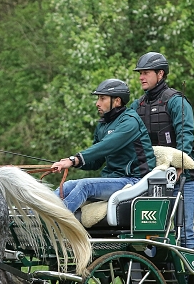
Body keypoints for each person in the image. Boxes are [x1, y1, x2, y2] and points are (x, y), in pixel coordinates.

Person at [50, 79, 156, 213]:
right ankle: (34, 216)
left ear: (117, 101)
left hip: (135, 181)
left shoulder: (130, 121)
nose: (97, 103)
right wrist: (73, 162)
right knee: (67, 185)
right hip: (113, 179)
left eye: (102, 98)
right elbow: (96, 161)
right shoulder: (103, 125)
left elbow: (107, 145)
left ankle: (54, 219)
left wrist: (74, 160)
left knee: (85, 186)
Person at [130, 52, 194, 248]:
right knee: (151, 236)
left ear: (160, 74)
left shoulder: (176, 101)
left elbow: (186, 137)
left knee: (184, 234)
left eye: (145, 73)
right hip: (151, 182)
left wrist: (178, 169)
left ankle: (192, 278)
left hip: (182, 180)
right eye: (140, 73)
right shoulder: (138, 106)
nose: (141, 77)